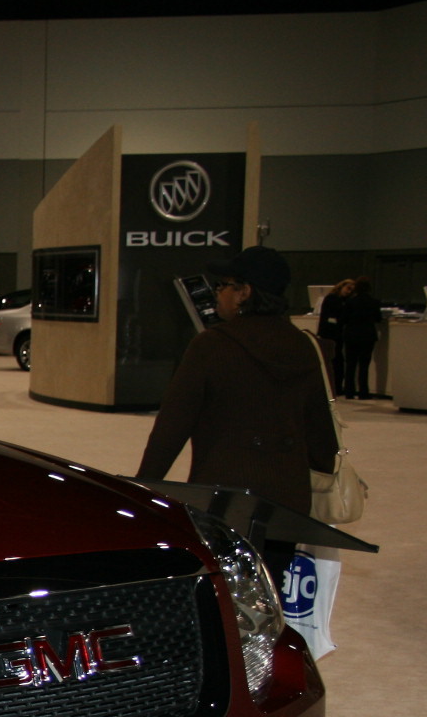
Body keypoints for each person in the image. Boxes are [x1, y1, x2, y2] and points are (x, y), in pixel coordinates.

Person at [137, 246, 337, 579]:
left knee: (223, 600)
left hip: (222, 499)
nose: (217, 294)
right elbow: (321, 438)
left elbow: (172, 427)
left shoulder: (211, 345)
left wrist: (144, 487)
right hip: (286, 504)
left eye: (223, 285)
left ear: (244, 292)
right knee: (269, 595)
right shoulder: (307, 346)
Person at [339, 277, 383, 399]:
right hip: (367, 335)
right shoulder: (374, 302)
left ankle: (349, 391)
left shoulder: (350, 302)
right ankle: (364, 392)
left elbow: (343, 319)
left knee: (350, 364)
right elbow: (378, 319)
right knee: (364, 365)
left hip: (351, 335)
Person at [317, 278, 352, 391]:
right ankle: (334, 385)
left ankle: (335, 385)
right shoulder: (334, 299)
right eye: (348, 288)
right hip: (331, 333)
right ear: (341, 286)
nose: (349, 291)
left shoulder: (337, 299)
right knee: (334, 359)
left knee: (335, 359)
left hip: (332, 333)